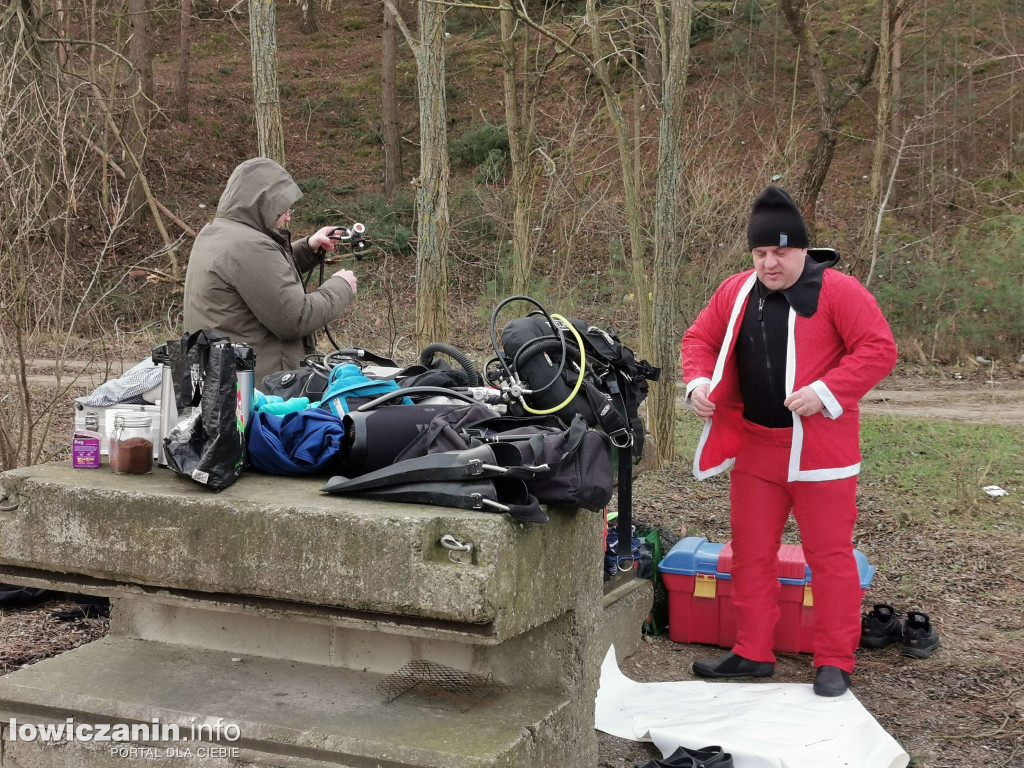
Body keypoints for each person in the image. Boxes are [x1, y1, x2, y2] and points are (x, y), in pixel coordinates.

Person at [680, 186, 897, 697]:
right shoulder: (734, 291)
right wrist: (697, 383)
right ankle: (753, 652)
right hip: (755, 446)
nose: (770, 264)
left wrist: (826, 391)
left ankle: (835, 661)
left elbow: (879, 349)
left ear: (803, 249)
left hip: (823, 453)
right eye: (760, 253)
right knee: (750, 554)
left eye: (780, 252)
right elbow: (699, 339)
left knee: (830, 557)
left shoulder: (839, 291)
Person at [183, 157, 359, 385]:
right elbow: (296, 317)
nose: (288, 214)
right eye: (282, 206)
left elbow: (259, 277)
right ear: (262, 202)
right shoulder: (250, 246)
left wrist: (308, 247)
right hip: (261, 391)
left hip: (223, 381)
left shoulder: (218, 233)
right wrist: (341, 286)